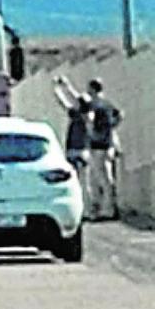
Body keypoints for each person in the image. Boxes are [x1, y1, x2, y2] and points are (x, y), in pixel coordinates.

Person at [52, 76, 92, 210]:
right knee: (85, 181)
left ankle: (82, 208)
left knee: (75, 182)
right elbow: (76, 99)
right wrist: (67, 85)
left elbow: (64, 102)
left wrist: (57, 88)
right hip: (84, 150)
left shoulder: (77, 115)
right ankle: (88, 208)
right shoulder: (88, 115)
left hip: (75, 150)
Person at [86, 78, 122, 220]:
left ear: (93, 90)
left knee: (100, 178)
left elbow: (90, 120)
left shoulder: (94, 105)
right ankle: (109, 207)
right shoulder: (108, 104)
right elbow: (119, 115)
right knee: (107, 177)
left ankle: (106, 209)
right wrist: (110, 129)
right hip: (108, 144)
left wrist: (93, 134)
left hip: (98, 146)